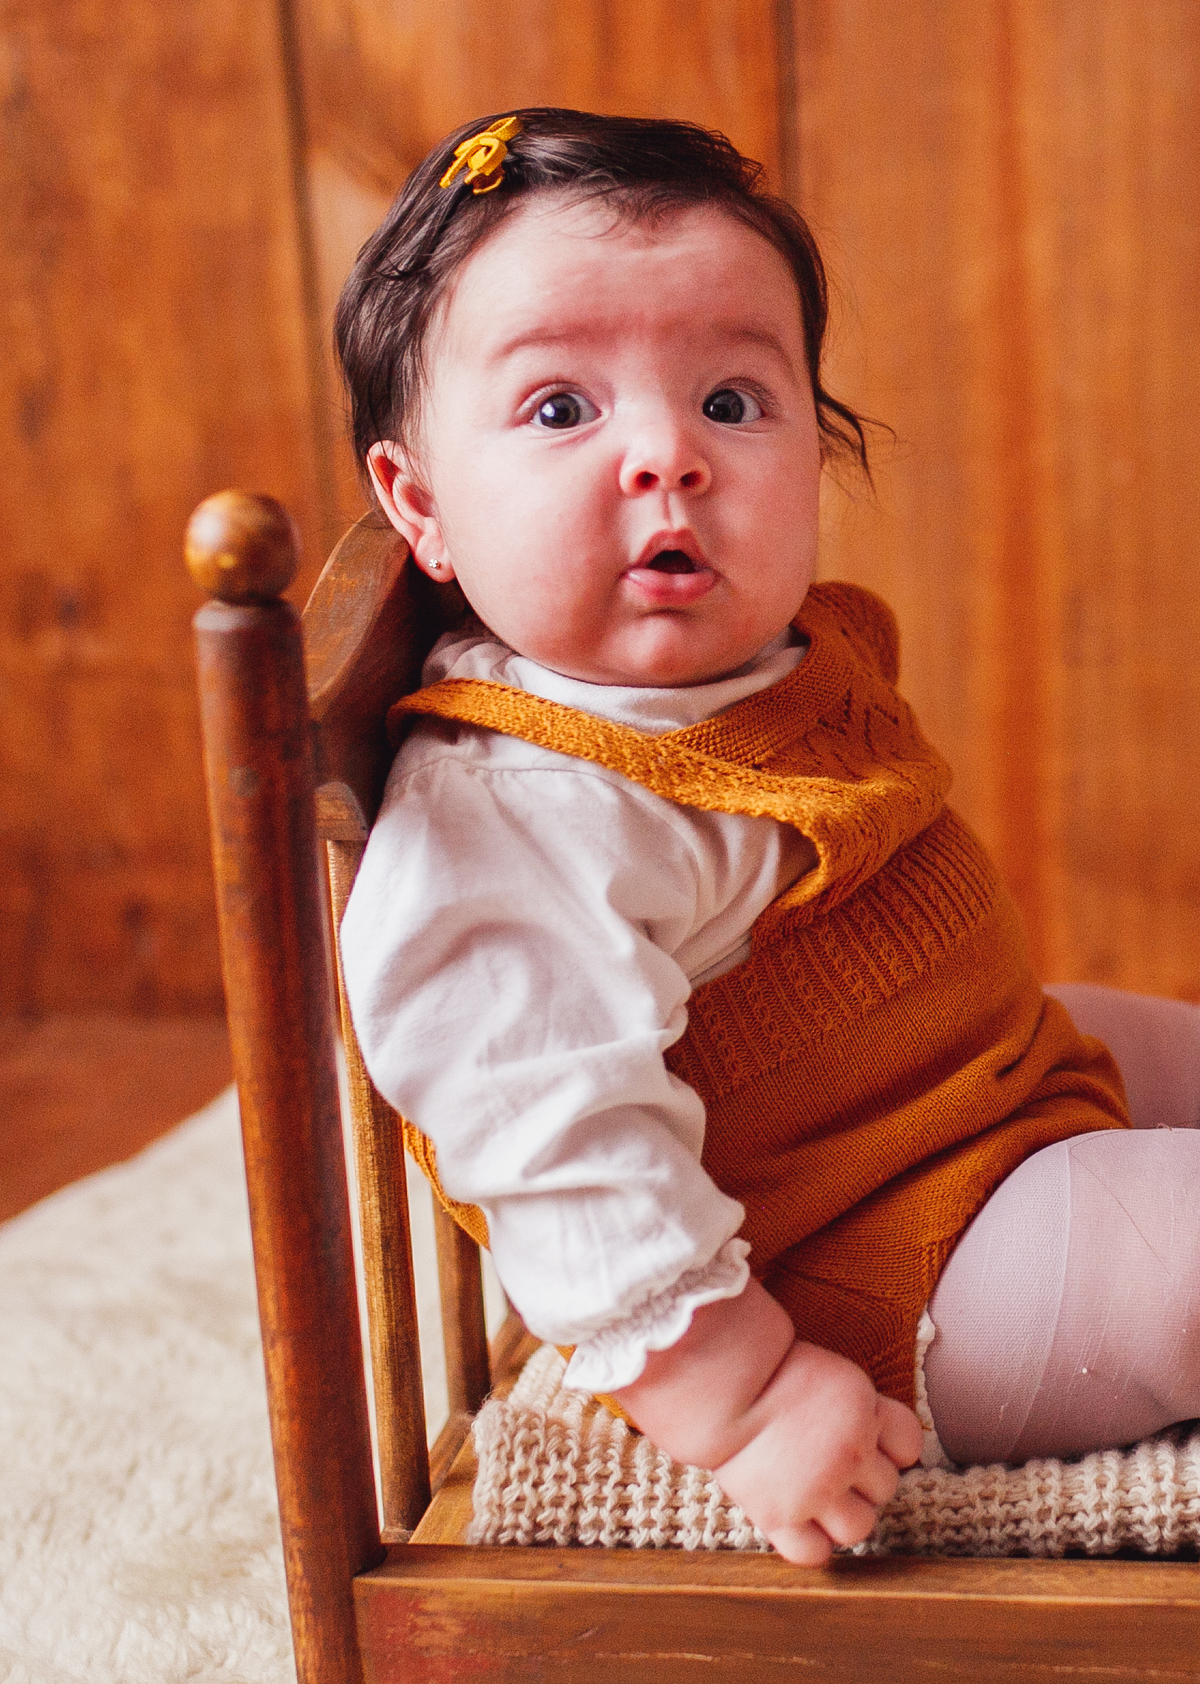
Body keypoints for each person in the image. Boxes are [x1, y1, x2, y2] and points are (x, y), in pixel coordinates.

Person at [335, 108, 1200, 1564]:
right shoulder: (509, 820)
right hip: (877, 1271)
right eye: (561, 408)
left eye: (732, 401)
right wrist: (744, 1403)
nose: (667, 456)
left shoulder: (767, 663)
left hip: (966, 1088)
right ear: (421, 505)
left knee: (1166, 1041)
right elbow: (557, 1148)